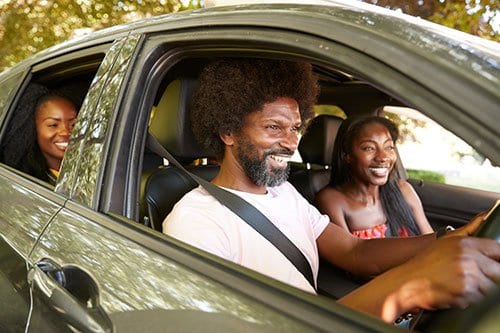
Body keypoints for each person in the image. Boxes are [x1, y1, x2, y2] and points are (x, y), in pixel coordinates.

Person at [163, 58, 500, 323]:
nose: (291, 142)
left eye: (295, 128)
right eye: (273, 127)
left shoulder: (285, 195)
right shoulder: (196, 221)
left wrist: (447, 240)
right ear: (228, 132)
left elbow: (355, 251)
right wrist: (410, 285)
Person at [316, 116, 433, 239]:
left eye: (388, 147)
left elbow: (432, 242)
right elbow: (347, 254)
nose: (383, 157)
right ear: (347, 155)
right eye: (369, 148)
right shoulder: (332, 200)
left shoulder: (403, 190)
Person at [0, 84, 77, 185]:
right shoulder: (29, 182)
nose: (66, 132)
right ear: (33, 129)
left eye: (73, 124)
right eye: (53, 125)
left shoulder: (93, 169)